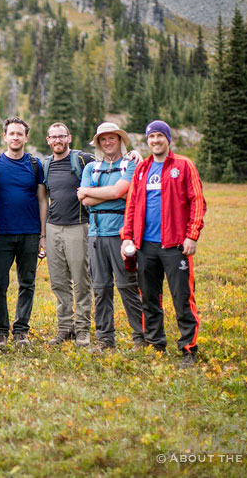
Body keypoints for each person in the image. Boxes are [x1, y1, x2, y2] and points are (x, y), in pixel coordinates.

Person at [121, 120, 206, 369]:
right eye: (151, 137)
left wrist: (192, 235)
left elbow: (198, 201)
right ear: (147, 141)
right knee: (149, 297)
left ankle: (188, 349)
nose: (155, 140)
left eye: (160, 136)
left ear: (168, 139)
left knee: (182, 298)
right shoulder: (142, 169)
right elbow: (132, 206)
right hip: (145, 246)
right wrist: (128, 236)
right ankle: (156, 344)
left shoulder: (183, 165)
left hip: (175, 246)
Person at [76, 123, 145, 353]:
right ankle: (106, 341)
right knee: (101, 287)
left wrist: (92, 192)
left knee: (127, 285)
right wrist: (111, 194)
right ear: (98, 143)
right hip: (95, 234)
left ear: (120, 140)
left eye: (112, 138)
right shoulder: (91, 168)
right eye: (103, 139)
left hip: (122, 234)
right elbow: (84, 201)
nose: (107, 143)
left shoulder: (131, 163)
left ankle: (140, 338)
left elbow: (119, 191)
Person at [0, 116, 47, 349]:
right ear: (5, 136)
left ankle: (21, 330)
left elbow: (43, 200)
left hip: (30, 233)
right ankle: (0, 331)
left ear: (25, 137)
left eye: (19, 134)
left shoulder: (35, 165)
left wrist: (43, 234)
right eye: (11, 133)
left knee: (27, 283)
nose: (15, 137)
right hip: (1, 234)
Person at [43, 122, 96, 347]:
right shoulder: (44, 165)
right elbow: (42, 198)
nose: (57, 140)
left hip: (78, 226)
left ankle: (83, 329)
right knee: (59, 282)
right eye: (53, 137)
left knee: (81, 281)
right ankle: (65, 328)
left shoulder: (83, 160)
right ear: (48, 140)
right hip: (53, 228)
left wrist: (132, 154)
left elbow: (111, 161)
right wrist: (42, 234)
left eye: (61, 136)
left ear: (69, 138)